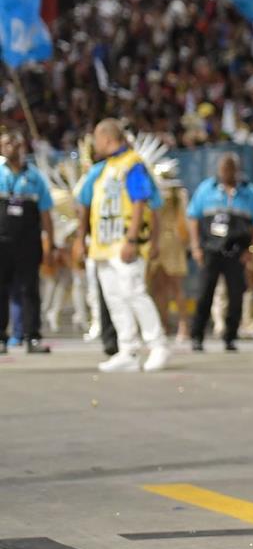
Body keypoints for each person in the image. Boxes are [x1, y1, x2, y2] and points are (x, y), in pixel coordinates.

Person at [78, 119, 171, 373]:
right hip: (104, 244)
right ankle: (127, 350)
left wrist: (132, 239)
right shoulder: (107, 167)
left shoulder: (133, 164)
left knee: (134, 292)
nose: (94, 145)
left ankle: (157, 344)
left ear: (107, 138)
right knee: (114, 298)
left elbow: (141, 202)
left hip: (125, 242)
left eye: (96, 139)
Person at [187, 153, 253, 352]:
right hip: (211, 250)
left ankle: (230, 336)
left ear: (237, 170)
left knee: (236, 295)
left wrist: (250, 249)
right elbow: (193, 217)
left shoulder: (249, 192)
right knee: (205, 294)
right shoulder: (207, 189)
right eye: (223, 169)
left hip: (236, 252)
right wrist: (196, 246)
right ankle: (197, 336)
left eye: (231, 169)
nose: (227, 173)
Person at [0, 131, 54, 354]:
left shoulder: (35, 177)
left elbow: (46, 214)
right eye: (4, 143)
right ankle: (0, 338)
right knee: (0, 290)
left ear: (22, 146)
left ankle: (32, 337)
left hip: (28, 243)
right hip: (1, 242)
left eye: (13, 142)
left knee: (30, 290)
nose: (9, 146)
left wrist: (50, 242)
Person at [148, 177, 190, 346]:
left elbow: (184, 217)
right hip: (156, 240)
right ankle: (163, 324)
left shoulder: (178, 193)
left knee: (175, 285)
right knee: (158, 286)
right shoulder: (151, 189)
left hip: (171, 240)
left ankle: (184, 325)